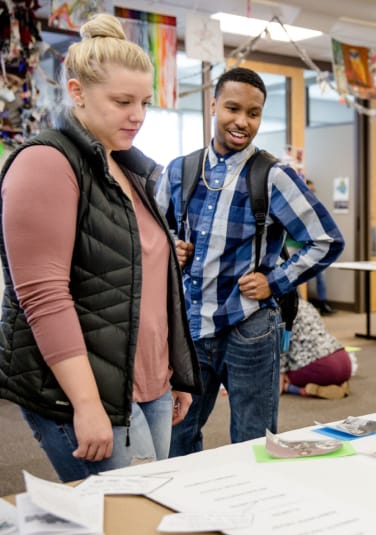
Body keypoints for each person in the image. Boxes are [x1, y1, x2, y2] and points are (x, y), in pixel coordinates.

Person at [0, 14, 200, 482]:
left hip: (150, 383)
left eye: (146, 103)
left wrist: (175, 373)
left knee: (150, 510)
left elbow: (149, 281)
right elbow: (44, 296)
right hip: (87, 391)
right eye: (122, 101)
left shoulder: (128, 170)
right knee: (124, 519)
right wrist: (86, 404)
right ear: (77, 92)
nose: (138, 115)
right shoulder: (47, 163)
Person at [155, 67, 345, 456]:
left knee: (252, 445)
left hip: (249, 329)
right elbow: (151, 236)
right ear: (212, 106)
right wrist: (170, 246)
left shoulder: (273, 175)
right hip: (189, 328)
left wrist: (275, 281)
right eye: (232, 108)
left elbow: (326, 240)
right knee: (175, 439)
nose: (242, 121)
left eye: (254, 113)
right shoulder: (180, 170)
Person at [280, 299, 352, 399]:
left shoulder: (279, 310)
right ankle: (340, 384)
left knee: (277, 379)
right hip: (344, 361)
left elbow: (282, 347)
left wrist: (280, 376)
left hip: (322, 367)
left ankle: (298, 389)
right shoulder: (306, 304)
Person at [303, 178, 333, 315]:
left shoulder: (316, 206)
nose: (311, 193)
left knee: (321, 275)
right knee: (303, 278)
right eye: (309, 190)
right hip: (300, 246)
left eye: (313, 190)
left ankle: (322, 303)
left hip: (315, 245)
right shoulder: (297, 205)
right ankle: (305, 307)